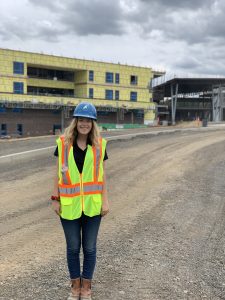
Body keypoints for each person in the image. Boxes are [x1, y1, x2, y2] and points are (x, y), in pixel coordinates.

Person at [51, 102, 109, 300]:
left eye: (88, 120)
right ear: (75, 122)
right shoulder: (63, 143)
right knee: (73, 248)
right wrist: (55, 198)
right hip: (69, 205)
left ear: (93, 123)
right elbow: (57, 173)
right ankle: (75, 288)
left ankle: (86, 288)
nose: (84, 124)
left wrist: (105, 200)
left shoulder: (100, 145)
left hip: (93, 205)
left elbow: (102, 175)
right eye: (81, 120)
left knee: (90, 248)